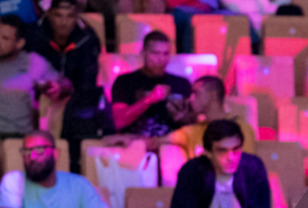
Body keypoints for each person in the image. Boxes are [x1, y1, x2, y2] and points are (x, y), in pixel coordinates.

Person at [0, 129, 116, 208]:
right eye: (27, 151)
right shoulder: (14, 180)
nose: (32, 157)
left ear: (55, 154)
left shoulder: (78, 184)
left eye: (39, 150)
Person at [27, 0, 108, 173]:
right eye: (58, 15)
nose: (63, 22)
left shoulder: (88, 38)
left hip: (74, 100)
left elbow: (88, 82)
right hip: (37, 97)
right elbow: (26, 71)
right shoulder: (34, 35)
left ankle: (70, 167)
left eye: (69, 16)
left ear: (77, 16)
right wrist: (43, 86)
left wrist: (66, 88)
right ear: (49, 14)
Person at [167, 119, 270, 208]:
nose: (231, 157)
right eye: (222, 151)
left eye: (236, 149)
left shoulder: (253, 167)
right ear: (208, 153)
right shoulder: (192, 171)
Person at [0, 13, 69, 137]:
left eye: (5, 38)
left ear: (19, 43)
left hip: (18, 138)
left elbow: (66, 84)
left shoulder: (33, 62)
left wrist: (57, 87)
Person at [111, 30, 191, 137]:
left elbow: (196, 122)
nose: (161, 59)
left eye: (166, 54)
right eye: (155, 53)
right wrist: (149, 99)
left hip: (171, 145)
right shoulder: (125, 81)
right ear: (143, 53)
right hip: (133, 144)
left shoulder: (181, 83)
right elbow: (119, 121)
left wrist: (182, 117)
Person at [163, 75, 257, 159]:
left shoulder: (240, 129)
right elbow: (155, 141)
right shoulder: (193, 131)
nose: (190, 99)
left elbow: (246, 169)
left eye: (196, 93)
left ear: (212, 95)